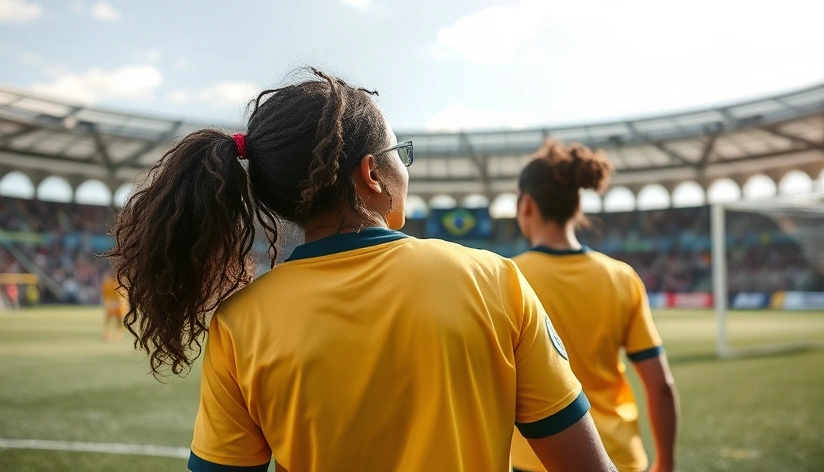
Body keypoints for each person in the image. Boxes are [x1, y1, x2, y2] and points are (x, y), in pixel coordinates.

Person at [107, 69, 617, 472]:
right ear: (371, 173)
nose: (405, 169)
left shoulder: (240, 324)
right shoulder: (491, 279)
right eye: (401, 156)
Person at [510, 140, 680, 472]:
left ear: (526, 205)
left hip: (538, 458)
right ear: (577, 205)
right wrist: (667, 463)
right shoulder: (622, 277)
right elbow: (660, 386)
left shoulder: (507, 277)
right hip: (618, 456)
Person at [100, 270, 125, 341]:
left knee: (115, 320)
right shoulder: (111, 284)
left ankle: (115, 334)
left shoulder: (115, 284)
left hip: (116, 305)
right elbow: (105, 293)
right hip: (114, 305)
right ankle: (110, 334)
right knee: (111, 320)